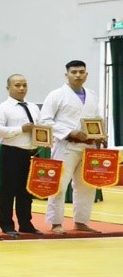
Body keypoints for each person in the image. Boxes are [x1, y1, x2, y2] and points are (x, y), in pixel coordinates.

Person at [41, 59, 107, 234]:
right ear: (67, 75)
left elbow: (97, 119)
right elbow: (45, 120)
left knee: (86, 185)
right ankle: (56, 223)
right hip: (66, 145)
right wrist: (70, 132)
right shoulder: (56, 95)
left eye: (81, 72)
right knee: (59, 185)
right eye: (74, 72)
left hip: (89, 147)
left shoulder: (92, 95)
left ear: (86, 74)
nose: (78, 75)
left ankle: (81, 221)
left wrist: (101, 134)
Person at [0, 73, 43, 238]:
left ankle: (26, 223)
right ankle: (6, 224)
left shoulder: (33, 107)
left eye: (24, 85)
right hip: (11, 152)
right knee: (8, 190)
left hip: (31, 153)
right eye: (17, 85)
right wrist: (21, 129)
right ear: (8, 88)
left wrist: (45, 138)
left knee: (26, 191)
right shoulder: (2, 108)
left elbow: (40, 127)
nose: (21, 88)